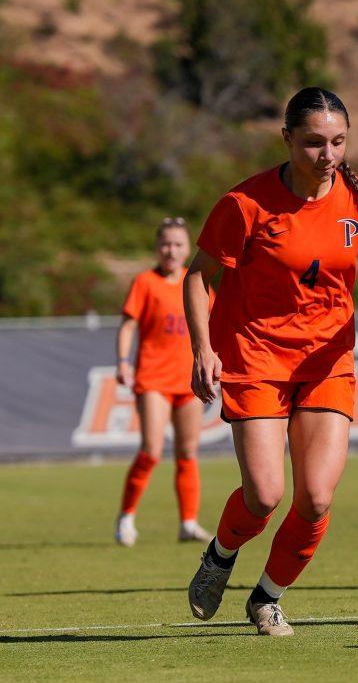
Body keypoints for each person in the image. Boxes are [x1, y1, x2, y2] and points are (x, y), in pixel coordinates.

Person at [183, 87, 358, 636]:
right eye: (315, 143)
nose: (329, 155)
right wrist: (202, 348)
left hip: (327, 360)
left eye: (338, 141)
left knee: (315, 498)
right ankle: (220, 554)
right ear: (287, 139)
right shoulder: (245, 205)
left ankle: (267, 597)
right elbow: (199, 276)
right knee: (265, 494)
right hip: (256, 356)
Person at [114, 217, 213, 547]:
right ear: (158, 247)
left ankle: (188, 522)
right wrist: (123, 362)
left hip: (188, 382)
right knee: (152, 450)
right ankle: (126, 517)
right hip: (153, 379)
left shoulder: (196, 281)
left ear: (188, 249)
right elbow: (128, 325)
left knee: (187, 453)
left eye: (178, 244)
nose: (171, 250)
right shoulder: (145, 282)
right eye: (166, 244)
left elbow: (212, 327)